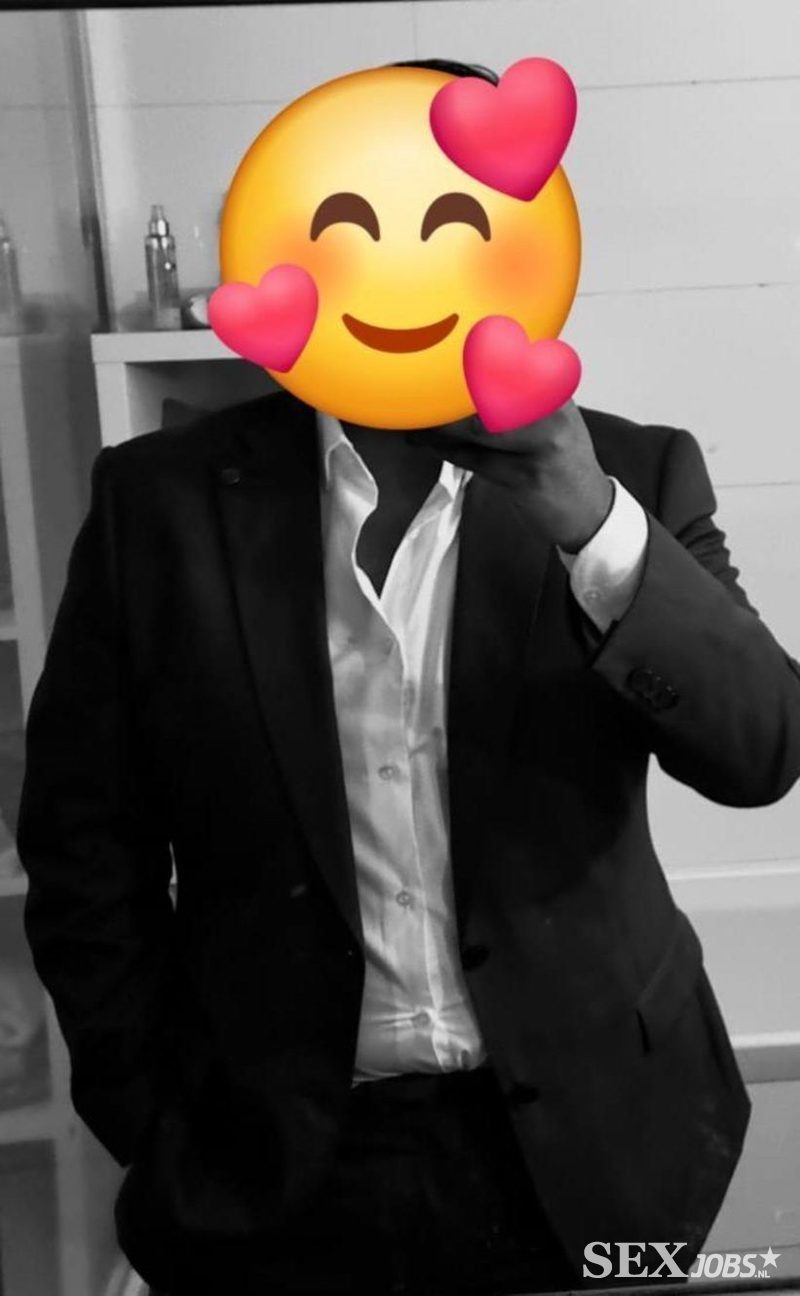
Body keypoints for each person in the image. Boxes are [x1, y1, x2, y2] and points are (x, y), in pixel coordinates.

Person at [17, 59, 800, 1296]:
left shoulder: (634, 477)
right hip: (267, 1166)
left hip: (604, 1147)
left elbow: (761, 751)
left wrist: (587, 521)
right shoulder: (158, 505)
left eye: (450, 230)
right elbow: (81, 847)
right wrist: (147, 1111)